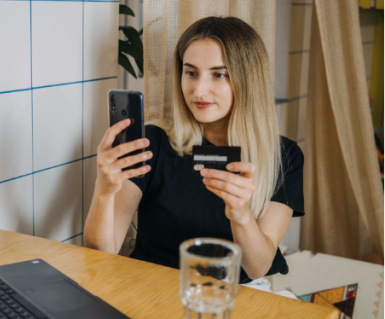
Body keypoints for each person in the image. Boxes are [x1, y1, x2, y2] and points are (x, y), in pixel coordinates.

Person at [84, 16, 304, 289]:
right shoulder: (152, 142)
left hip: (232, 299)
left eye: (218, 74)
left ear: (248, 79)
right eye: (191, 72)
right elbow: (101, 251)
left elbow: (258, 267)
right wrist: (104, 191)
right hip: (147, 290)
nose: (199, 90)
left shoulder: (284, 157)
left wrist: (241, 216)